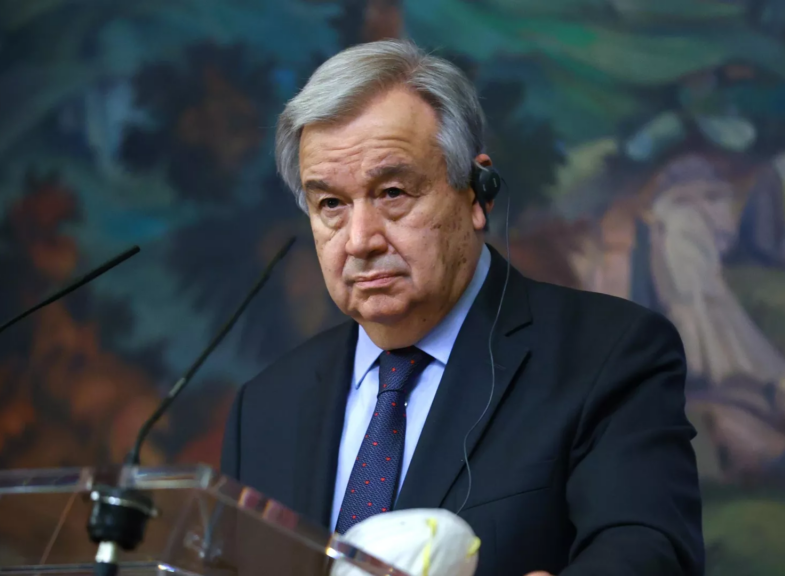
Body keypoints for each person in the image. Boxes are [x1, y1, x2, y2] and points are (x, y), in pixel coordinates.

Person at [220, 39, 703, 576]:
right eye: (331, 203)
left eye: (393, 192)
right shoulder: (265, 407)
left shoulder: (609, 355)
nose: (359, 240)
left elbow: (649, 553)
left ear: (476, 194)